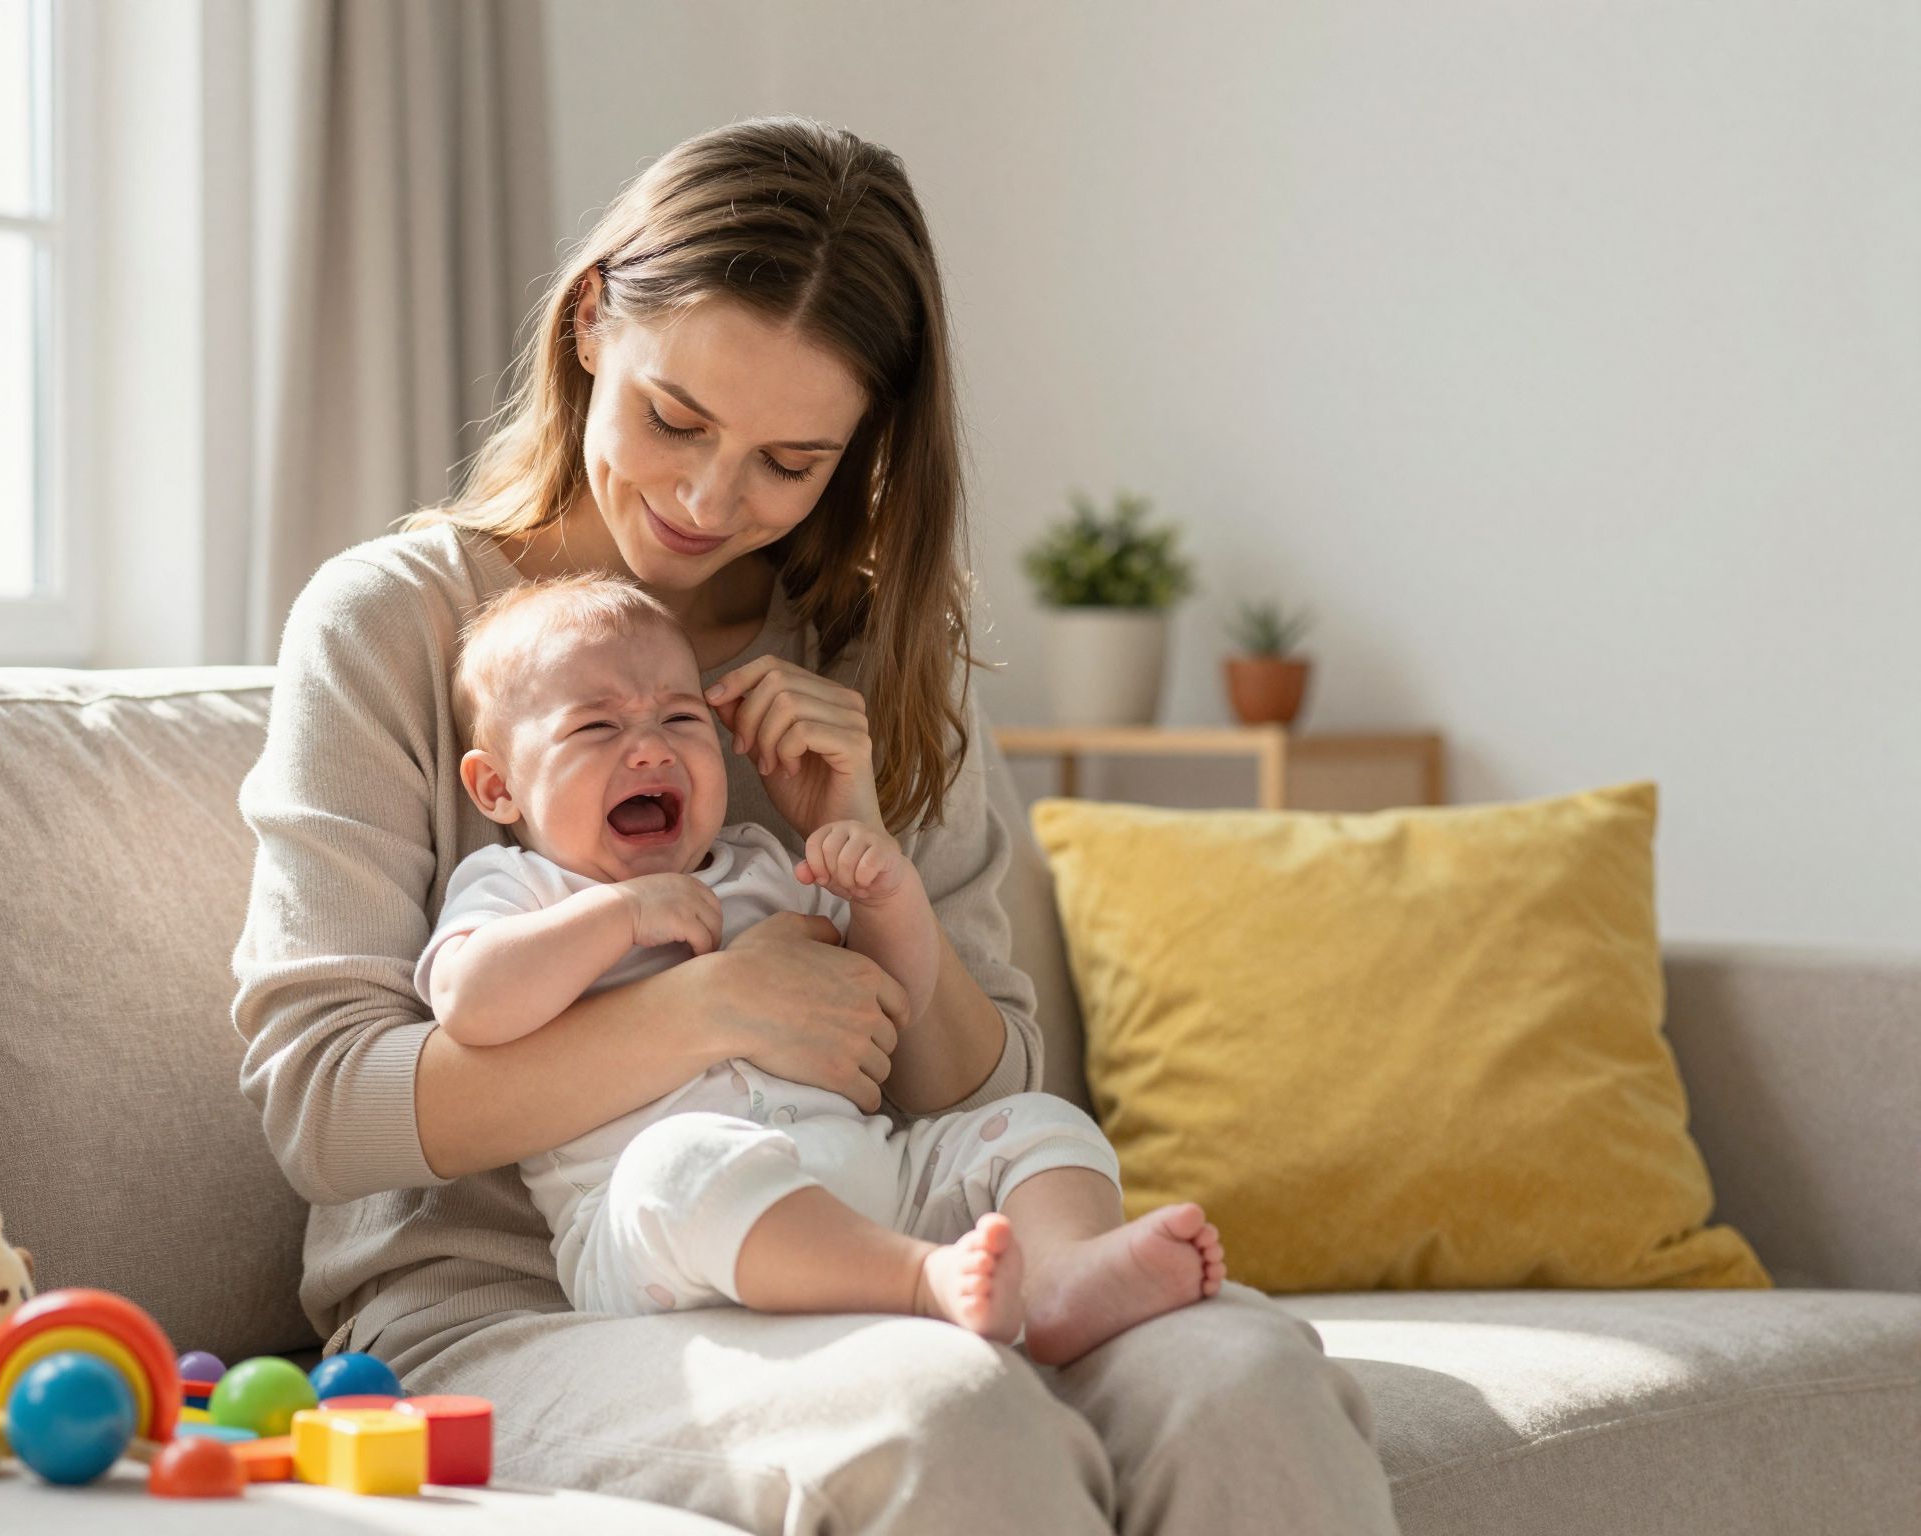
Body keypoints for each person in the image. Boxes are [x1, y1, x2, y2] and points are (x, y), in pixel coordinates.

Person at [232, 114, 1400, 1533]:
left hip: (891, 1239)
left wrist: (867, 853)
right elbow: (322, 1106)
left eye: (788, 462)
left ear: (859, 451)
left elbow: (987, 1082)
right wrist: (710, 1009)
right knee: (944, 1419)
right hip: (508, 1315)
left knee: (1243, 1380)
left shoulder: (872, 653)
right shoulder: (399, 624)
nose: (707, 500)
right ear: (593, 320)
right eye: (676, 420)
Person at [416, 572, 1227, 1354]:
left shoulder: (764, 864)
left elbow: (892, 1005)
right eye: (596, 728)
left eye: (681, 718)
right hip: (660, 1225)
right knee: (679, 1165)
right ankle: (922, 1283)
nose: (651, 750)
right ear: (496, 789)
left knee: (1041, 1125)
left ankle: (1061, 1276)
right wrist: (619, 915)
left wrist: (885, 897)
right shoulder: (520, 886)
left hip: (867, 1172)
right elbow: (468, 1000)